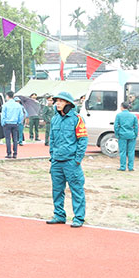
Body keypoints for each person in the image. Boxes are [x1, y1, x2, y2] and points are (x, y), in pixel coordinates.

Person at [47, 91, 88, 227]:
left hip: (71, 162)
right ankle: (59, 215)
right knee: (57, 190)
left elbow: (82, 140)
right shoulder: (55, 119)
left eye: (60, 101)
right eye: (56, 101)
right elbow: (51, 139)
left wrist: (77, 159)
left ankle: (78, 217)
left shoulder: (77, 119)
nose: (57, 104)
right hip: (57, 161)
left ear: (68, 103)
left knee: (76, 190)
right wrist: (52, 156)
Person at [113, 99, 139, 172]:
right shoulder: (133, 116)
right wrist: (135, 134)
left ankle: (122, 167)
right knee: (131, 152)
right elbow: (136, 127)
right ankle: (131, 167)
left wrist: (117, 134)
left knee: (122, 152)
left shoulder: (119, 115)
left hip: (122, 135)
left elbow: (116, 126)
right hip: (131, 135)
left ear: (122, 107)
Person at [1, 94, 27, 159]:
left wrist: (3, 123)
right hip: (15, 123)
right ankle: (15, 153)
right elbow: (21, 115)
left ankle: (9, 153)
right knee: (15, 139)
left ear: (7, 96)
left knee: (8, 139)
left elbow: (3, 115)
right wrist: (18, 122)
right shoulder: (18, 106)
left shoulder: (5, 105)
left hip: (7, 123)